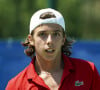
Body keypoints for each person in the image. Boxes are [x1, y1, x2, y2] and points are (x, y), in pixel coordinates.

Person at [6, 8, 100, 90]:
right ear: (31, 40)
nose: (50, 41)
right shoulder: (16, 86)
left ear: (63, 39)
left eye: (56, 34)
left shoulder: (88, 71)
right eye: (42, 34)